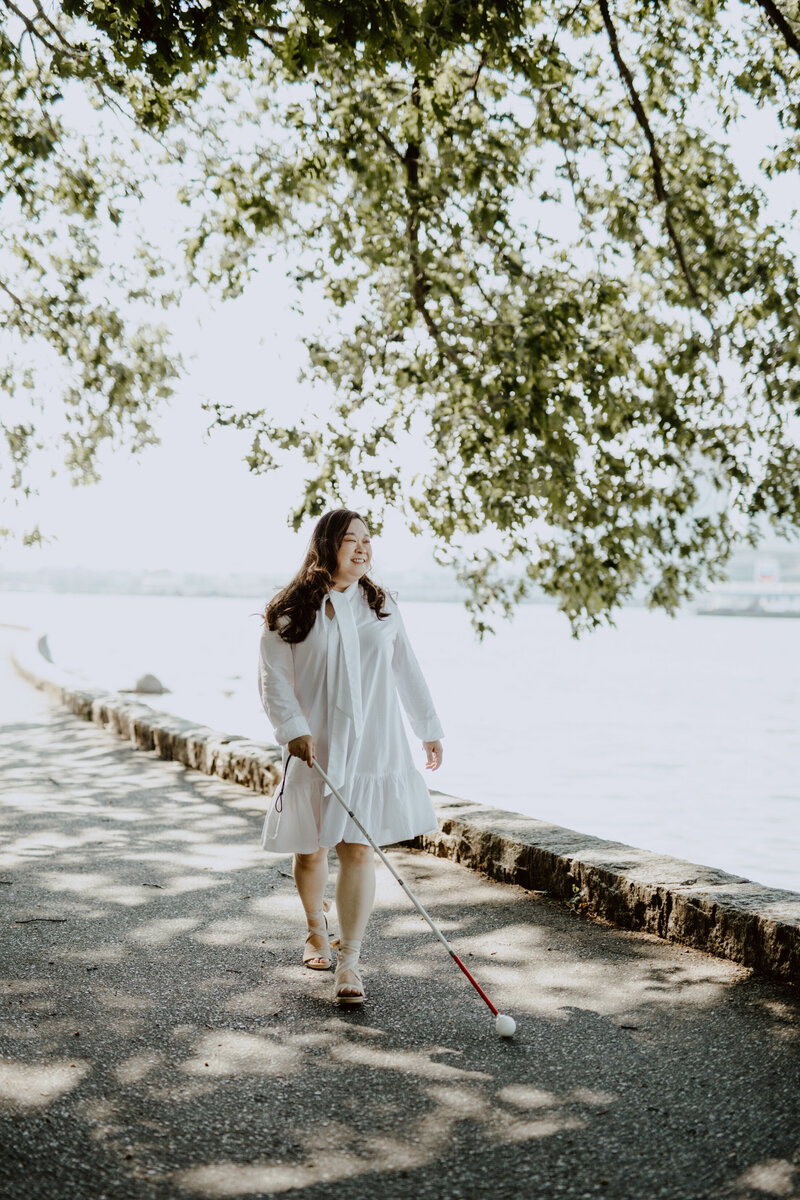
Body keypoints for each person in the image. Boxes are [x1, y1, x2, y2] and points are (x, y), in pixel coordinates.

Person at [258, 508, 444, 1005]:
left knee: (358, 848)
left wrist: (428, 729)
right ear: (327, 546)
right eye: (350, 540)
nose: (362, 548)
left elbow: (406, 666)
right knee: (311, 847)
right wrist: (293, 729)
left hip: (370, 746)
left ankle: (351, 962)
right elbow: (273, 678)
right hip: (315, 744)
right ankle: (316, 928)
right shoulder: (291, 608)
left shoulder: (381, 604)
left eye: (367, 540)